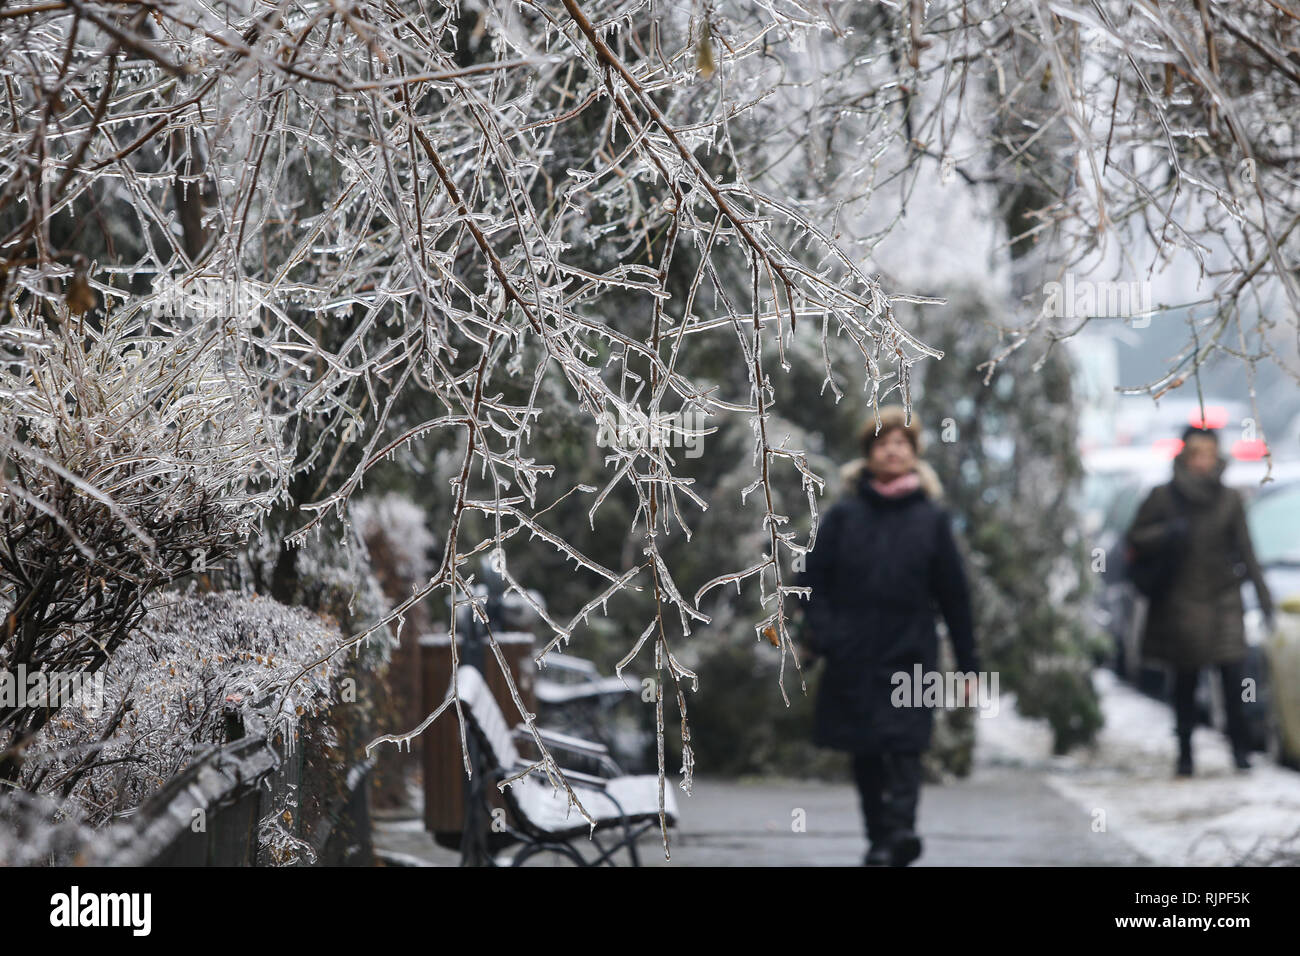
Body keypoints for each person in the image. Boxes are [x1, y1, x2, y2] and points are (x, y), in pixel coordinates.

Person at [796, 405, 978, 867]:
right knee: (867, 751)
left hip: (911, 652)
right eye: (882, 443)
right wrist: (826, 633)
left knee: (906, 748)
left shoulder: (932, 520)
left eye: (901, 443)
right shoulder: (843, 516)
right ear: (868, 453)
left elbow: (954, 597)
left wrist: (969, 665)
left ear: (914, 453)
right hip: (854, 653)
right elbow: (809, 582)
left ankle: (899, 833)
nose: (892, 451)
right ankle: (881, 837)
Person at [1125, 425, 1274, 777]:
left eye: (1209, 453)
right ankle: (1185, 753)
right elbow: (1135, 538)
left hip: (1224, 601)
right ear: (1186, 456)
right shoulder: (1165, 496)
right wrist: (1167, 533)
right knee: (1186, 682)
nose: (1204, 461)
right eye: (1197, 454)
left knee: (1234, 680)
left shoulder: (1229, 498)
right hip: (1181, 602)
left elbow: (1247, 550)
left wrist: (1265, 600)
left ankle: (1239, 751)